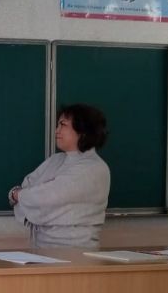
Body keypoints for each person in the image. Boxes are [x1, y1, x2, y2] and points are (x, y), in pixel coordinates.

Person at [8, 103, 110, 249]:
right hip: (41, 248)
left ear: (83, 130)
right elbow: (29, 187)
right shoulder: (55, 160)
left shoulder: (94, 168)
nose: (57, 130)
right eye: (58, 125)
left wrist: (18, 195)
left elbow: (45, 197)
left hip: (75, 252)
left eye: (63, 125)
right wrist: (27, 197)